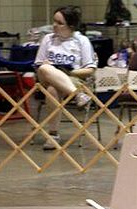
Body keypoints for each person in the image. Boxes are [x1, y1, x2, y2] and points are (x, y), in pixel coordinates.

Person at [34, 5, 97, 150]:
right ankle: (78, 96)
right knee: (45, 68)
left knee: (52, 89)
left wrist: (69, 72)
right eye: (54, 21)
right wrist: (51, 68)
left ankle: (53, 134)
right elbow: (38, 65)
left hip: (72, 78)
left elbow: (90, 70)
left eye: (60, 23)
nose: (55, 26)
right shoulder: (47, 39)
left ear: (71, 25)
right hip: (45, 76)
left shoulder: (82, 41)